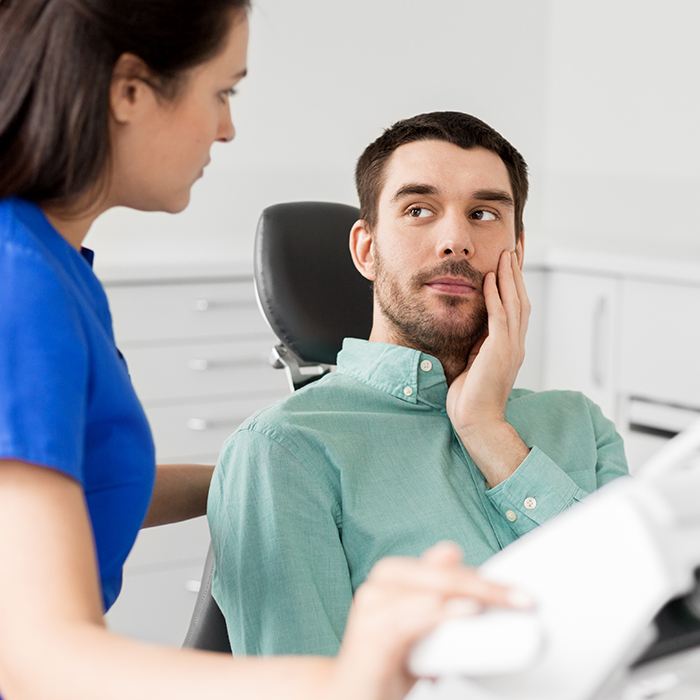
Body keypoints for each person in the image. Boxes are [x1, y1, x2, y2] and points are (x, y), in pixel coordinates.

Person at [0, 4, 527, 700]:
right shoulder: (20, 286)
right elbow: (34, 659)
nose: (228, 127)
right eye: (222, 91)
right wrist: (344, 681)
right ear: (130, 92)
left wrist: (274, 465)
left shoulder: (56, 270)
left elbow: (70, 482)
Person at [208, 110, 630, 657]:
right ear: (366, 249)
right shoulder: (285, 452)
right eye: (418, 210)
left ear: (517, 253)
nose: (455, 240)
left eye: (482, 213)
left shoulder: (581, 424)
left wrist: (487, 429)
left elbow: (640, 619)